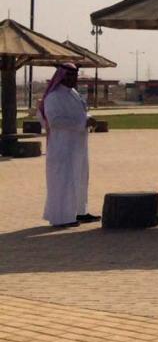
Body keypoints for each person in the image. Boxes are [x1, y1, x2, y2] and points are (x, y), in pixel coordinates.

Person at [40, 63, 99, 228]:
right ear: (61, 76)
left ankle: (80, 211)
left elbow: (81, 113)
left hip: (78, 146)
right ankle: (62, 217)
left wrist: (88, 118)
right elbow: (55, 121)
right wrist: (83, 122)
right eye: (69, 75)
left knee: (80, 178)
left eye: (75, 75)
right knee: (63, 181)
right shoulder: (54, 97)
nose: (73, 78)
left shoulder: (74, 94)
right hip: (62, 147)